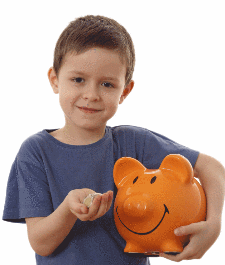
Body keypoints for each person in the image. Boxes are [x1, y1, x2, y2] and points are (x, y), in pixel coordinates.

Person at [2, 15, 225, 265]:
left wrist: (213, 225)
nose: (91, 95)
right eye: (78, 80)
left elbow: (213, 168)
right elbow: (41, 243)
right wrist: (68, 210)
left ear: (125, 91)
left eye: (107, 84)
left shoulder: (133, 143)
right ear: (54, 79)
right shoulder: (35, 152)